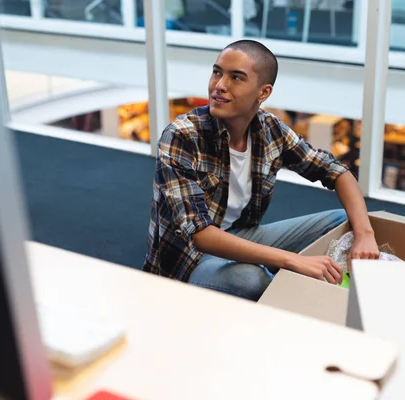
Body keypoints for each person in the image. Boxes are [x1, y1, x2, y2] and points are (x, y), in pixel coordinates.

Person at [143, 39, 380, 301]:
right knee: (250, 279)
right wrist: (290, 260)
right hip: (189, 261)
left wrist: (364, 235)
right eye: (217, 72)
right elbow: (200, 235)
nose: (219, 85)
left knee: (340, 221)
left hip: (239, 236)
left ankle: (302, 283)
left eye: (236, 77)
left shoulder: (269, 129)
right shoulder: (181, 136)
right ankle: (291, 295)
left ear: (263, 92)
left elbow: (335, 171)